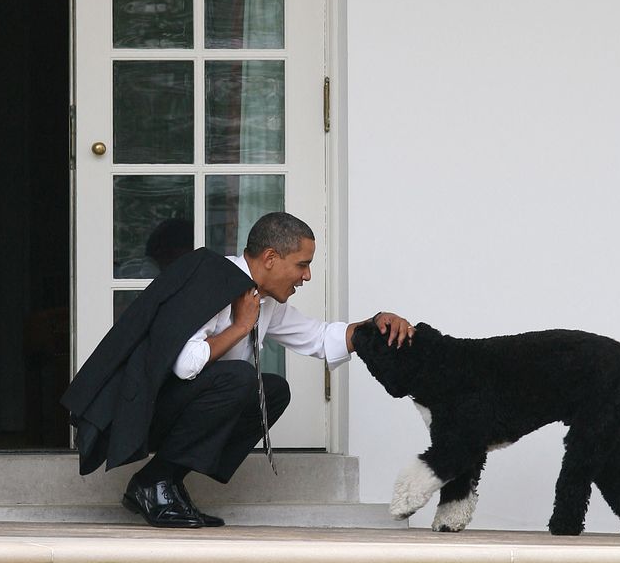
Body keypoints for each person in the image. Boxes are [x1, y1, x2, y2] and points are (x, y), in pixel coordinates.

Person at [62, 211, 413, 529]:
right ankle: (154, 483)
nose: (306, 276)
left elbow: (320, 338)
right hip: (140, 412)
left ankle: (161, 479)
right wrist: (241, 327)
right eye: (302, 264)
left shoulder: (263, 299)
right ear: (271, 258)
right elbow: (185, 365)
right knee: (240, 378)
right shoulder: (211, 278)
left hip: (180, 407)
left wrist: (375, 324)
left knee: (273, 390)